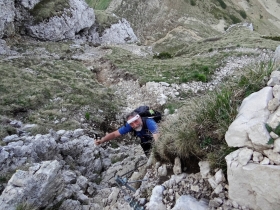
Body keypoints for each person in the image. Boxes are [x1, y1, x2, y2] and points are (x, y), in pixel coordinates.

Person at [95, 111, 159, 156]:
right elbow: (114, 134)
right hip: (144, 140)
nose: (135, 125)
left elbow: (157, 138)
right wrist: (102, 140)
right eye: (131, 124)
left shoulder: (149, 122)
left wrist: (156, 153)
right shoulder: (129, 126)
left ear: (139, 118)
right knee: (147, 152)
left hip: (153, 138)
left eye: (136, 121)